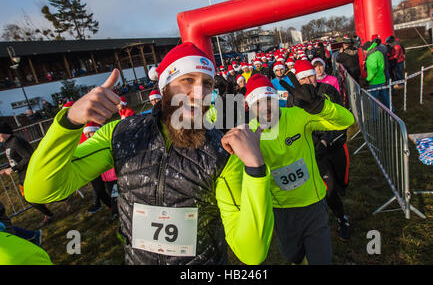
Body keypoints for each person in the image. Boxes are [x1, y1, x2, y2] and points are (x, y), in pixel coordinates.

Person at [24, 42, 274, 265]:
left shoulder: (221, 152)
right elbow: (41, 190)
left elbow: (252, 253)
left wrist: (255, 169)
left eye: (207, 83)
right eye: (187, 80)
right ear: (165, 87)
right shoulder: (121, 135)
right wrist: (68, 123)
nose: (199, 93)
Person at [245, 73, 354, 264]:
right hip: (282, 210)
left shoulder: (298, 115)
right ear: (251, 108)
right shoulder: (248, 133)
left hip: (313, 203)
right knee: (292, 257)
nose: (266, 108)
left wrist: (321, 107)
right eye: (258, 104)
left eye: (268, 100)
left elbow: (346, 121)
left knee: (321, 260)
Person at [287, 60, 351, 241]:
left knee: (343, 182)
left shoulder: (329, 90)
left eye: (311, 76)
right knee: (329, 189)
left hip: (335, 145)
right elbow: (295, 126)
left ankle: (339, 193)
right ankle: (342, 219)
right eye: (304, 78)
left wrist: (326, 140)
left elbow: (342, 118)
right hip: (315, 152)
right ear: (298, 81)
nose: (308, 81)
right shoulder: (293, 97)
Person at [0, 121, 55, 227]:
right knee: (29, 198)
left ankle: (50, 213)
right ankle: (50, 212)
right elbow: (15, 159)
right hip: (21, 174)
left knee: (30, 198)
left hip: (29, 173)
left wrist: (13, 169)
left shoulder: (16, 141)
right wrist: (6, 168)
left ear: (3, 132)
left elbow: (29, 157)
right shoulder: (7, 143)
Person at [362, 41, 390, 109]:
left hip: (375, 81)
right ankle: (391, 111)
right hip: (382, 79)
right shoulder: (378, 53)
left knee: (373, 100)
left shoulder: (371, 57)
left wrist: (367, 80)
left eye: (364, 51)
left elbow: (373, 71)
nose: (364, 52)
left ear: (368, 49)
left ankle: (375, 117)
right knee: (385, 97)